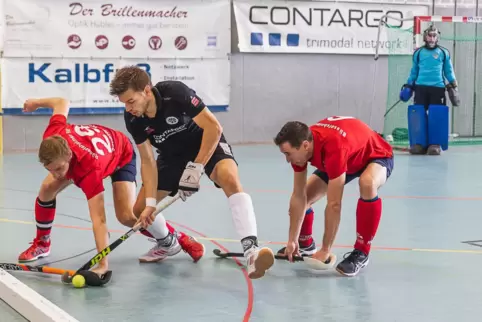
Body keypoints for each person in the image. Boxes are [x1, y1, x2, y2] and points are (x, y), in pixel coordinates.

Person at [108, 66, 275, 279]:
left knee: (229, 179)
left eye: (131, 101)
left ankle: (252, 251)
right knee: (139, 209)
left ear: (147, 91)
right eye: (124, 103)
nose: (128, 108)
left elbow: (214, 128)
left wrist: (195, 168)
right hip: (171, 156)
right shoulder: (133, 119)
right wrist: (151, 204)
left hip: (204, 143)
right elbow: (148, 161)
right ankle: (167, 243)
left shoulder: (175, 93)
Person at [18, 97, 205, 276]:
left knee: (127, 215)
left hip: (120, 154)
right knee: (46, 189)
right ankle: (42, 244)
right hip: (95, 152)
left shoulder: (88, 169)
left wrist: (102, 264)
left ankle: (175, 238)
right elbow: (62, 102)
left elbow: (99, 221)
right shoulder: (53, 135)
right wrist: (36, 103)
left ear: (68, 156)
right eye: (49, 169)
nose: (56, 174)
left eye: (59, 168)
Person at [273, 116, 394, 277]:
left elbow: (334, 204)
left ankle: (361, 252)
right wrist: (291, 240)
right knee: (307, 196)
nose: (288, 160)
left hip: (375, 155)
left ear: (305, 145)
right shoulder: (302, 143)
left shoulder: (334, 147)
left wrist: (325, 250)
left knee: (367, 183)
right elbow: (298, 196)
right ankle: (304, 244)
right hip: (347, 156)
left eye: (288, 154)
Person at [401, 24, 458, 155]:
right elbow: (414, 71)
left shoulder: (444, 52)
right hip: (420, 88)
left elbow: (448, 71)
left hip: (438, 88)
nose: (432, 38)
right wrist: (409, 84)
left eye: (434, 36)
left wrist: (454, 84)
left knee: (437, 115)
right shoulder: (418, 53)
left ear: (437, 38)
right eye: (429, 36)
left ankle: (435, 144)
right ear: (425, 37)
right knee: (418, 115)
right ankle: (419, 144)